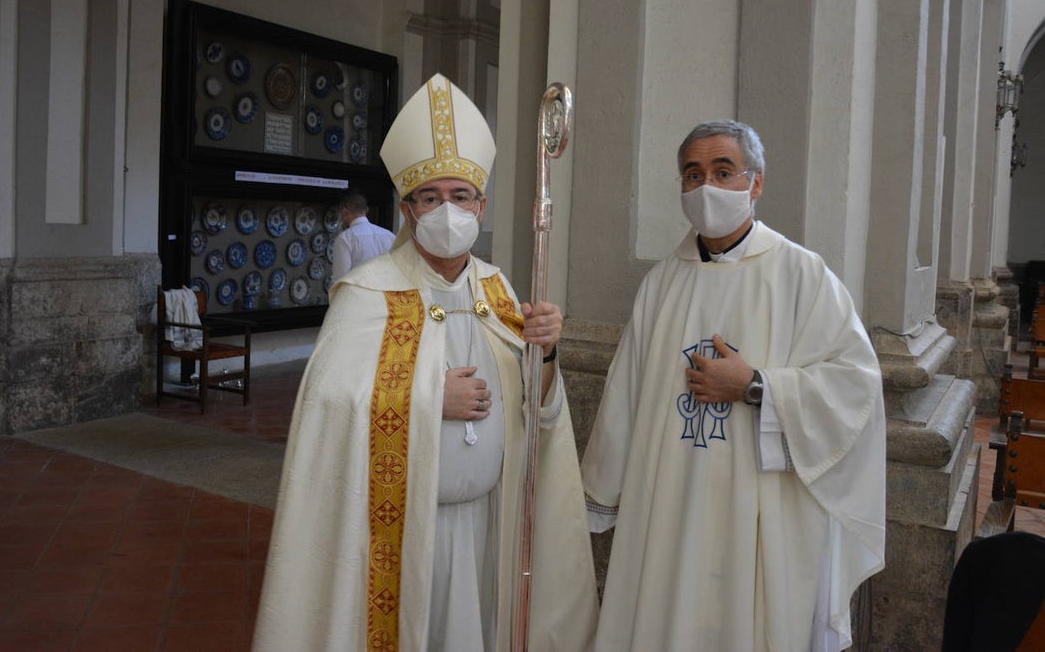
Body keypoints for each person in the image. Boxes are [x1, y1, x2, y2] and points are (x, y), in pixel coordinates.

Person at [253, 74, 598, 652]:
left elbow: (534, 412)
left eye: (460, 196)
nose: (447, 210)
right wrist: (430, 397)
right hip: (404, 531)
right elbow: (329, 406)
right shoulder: (368, 291)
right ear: (407, 209)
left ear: (481, 205)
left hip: (488, 524)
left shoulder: (498, 290)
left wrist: (547, 353)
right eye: (430, 197)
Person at [581, 120, 886, 651]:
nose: (707, 187)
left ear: (756, 182)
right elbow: (624, 397)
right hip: (668, 504)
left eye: (724, 172)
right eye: (693, 175)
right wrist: (599, 490)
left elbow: (855, 386)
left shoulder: (802, 275)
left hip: (760, 508)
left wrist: (755, 384)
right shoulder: (661, 283)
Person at [332, 188, 395, 277]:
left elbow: (341, 278)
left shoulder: (345, 239)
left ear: (344, 212)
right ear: (367, 210)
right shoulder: (390, 236)